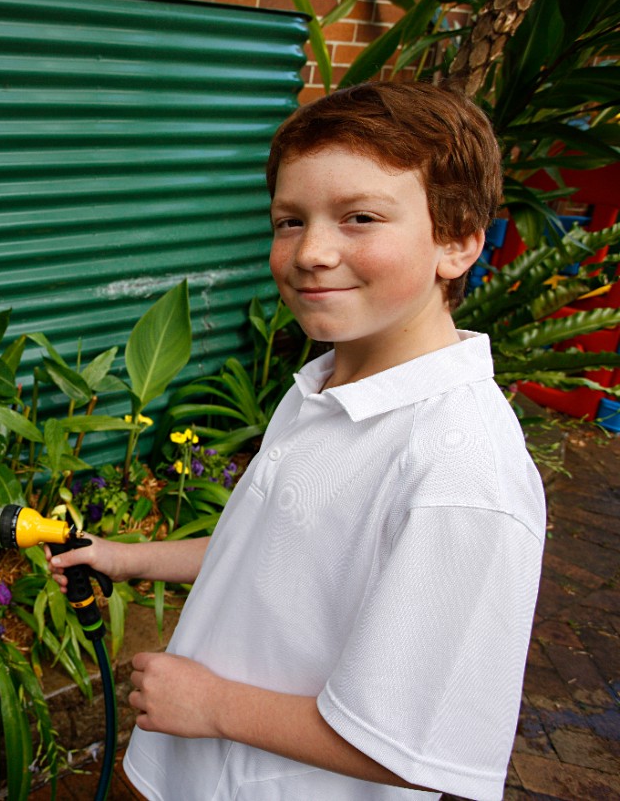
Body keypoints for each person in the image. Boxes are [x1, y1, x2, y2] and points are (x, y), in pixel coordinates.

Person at [48, 81, 546, 801]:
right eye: (289, 220)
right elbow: (279, 547)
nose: (311, 251)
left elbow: (417, 746)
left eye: (360, 217)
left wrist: (213, 704)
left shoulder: (462, 471)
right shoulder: (329, 385)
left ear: (458, 241)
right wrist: (127, 558)